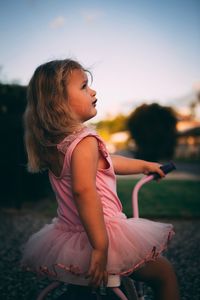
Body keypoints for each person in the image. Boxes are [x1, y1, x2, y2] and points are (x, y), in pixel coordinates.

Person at [21, 59, 180, 300]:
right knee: (164, 273)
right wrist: (100, 246)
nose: (93, 91)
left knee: (80, 288)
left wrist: (144, 165)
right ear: (58, 103)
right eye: (84, 86)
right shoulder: (84, 141)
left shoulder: (55, 146)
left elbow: (108, 160)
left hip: (71, 239)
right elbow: (84, 191)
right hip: (101, 235)